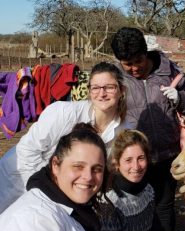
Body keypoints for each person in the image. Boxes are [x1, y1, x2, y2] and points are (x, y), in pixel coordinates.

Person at [0, 61, 127, 213]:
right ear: (89, 90)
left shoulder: (124, 129)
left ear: (121, 90)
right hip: (18, 177)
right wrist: (53, 192)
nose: (102, 93)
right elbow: (27, 151)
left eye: (109, 87)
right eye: (96, 88)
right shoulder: (62, 113)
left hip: (61, 190)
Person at [111, 27, 185, 231]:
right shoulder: (115, 77)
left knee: (164, 207)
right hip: (133, 159)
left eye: (137, 62)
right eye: (127, 64)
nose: (133, 69)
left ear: (145, 53)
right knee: (132, 208)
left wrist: (180, 98)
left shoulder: (168, 70)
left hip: (167, 155)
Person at [0, 123, 109, 231]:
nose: (88, 176)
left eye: (97, 169)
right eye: (78, 166)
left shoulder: (74, 208)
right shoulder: (36, 219)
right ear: (56, 165)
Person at [98, 129, 173, 231]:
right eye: (128, 160)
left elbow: (155, 228)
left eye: (141, 158)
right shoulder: (109, 202)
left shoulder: (147, 190)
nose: (136, 166)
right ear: (116, 163)